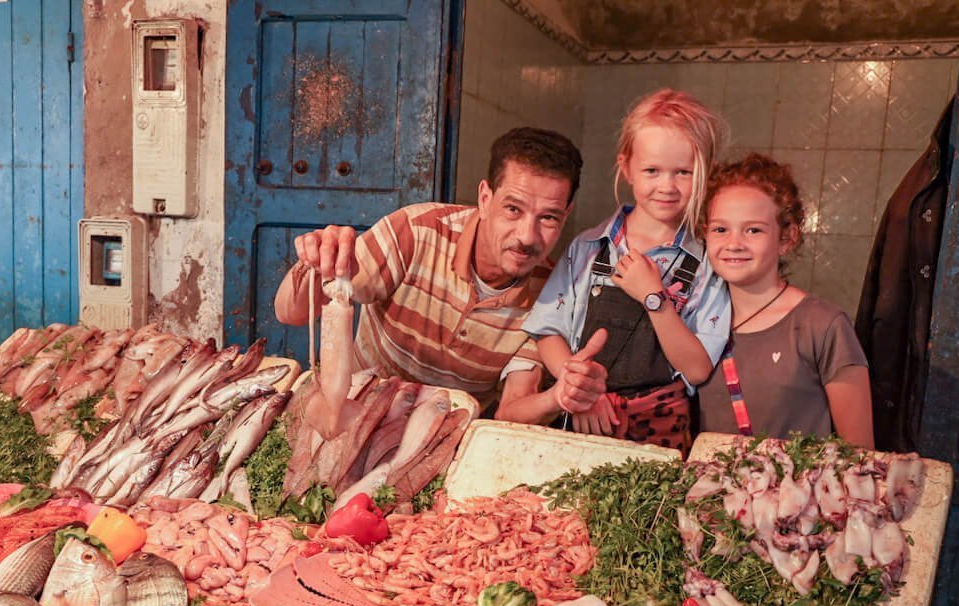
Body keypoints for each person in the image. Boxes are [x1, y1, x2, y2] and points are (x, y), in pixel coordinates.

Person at [273, 127, 607, 417]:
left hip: (447, 437)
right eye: (513, 209)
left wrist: (560, 395)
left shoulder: (552, 293)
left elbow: (511, 409)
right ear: (485, 197)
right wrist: (316, 261)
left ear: (567, 214)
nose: (527, 237)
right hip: (356, 407)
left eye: (548, 218)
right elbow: (291, 313)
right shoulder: (416, 232)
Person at [504, 90, 731, 451]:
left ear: (706, 171)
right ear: (626, 167)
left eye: (683, 172)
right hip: (583, 420)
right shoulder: (589, 248)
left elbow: (698, 369)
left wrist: (654, 298)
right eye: (652, 170)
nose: (667, 186)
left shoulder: (706, 263)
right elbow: (547, 332)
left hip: (658, 433)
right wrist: (576, 386)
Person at [694, 154, 874, 446]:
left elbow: (860, 453)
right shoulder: (695, 318)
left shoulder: (823, 326)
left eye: (753, 230)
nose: (733, 243)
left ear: (787, 238)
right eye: (720, 229)